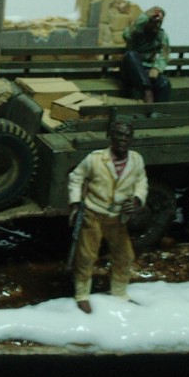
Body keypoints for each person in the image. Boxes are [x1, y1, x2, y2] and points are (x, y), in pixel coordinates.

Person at [67, 121, 148, 314]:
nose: (123, 139)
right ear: (111, 136)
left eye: (127, 136)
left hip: (118, 218)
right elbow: (76, 177)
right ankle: (82, 295)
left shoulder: (136, 160)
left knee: (125, 255)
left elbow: (141, 182)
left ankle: (119, 292)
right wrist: (75, 203)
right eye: (119, 135)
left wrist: (138, 199)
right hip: (93, 214)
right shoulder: (95, 159)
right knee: (86, 256)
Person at [121, 6, 171, 103]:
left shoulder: (161, 36)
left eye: (158, 23)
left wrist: (156, 68)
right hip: (132, 69)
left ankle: (157, 110)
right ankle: (147, 91)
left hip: (148, 69)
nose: (155, 26)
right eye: (152, 22)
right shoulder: (136, 31)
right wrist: (146, 16)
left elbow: (165, 55)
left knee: (165, 83)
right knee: (130, 54)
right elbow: (126, 35)